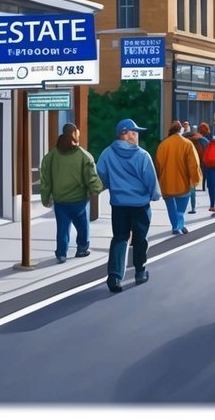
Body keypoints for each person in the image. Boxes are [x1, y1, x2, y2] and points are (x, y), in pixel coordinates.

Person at [96, 119, 161, 292]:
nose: (137, 135)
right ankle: (140, 271)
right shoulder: (142, 155)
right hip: (140, 204)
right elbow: (151, 180)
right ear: (126, 133)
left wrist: (114, 186)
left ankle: (115, 276)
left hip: (119, 204)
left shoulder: (107, 154)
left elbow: (101, 174)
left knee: (120, 237)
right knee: (140, 238)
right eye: (134, 132)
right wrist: (154, 196)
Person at [39, 124, 103, 263]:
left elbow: (45, 180)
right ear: (74, 135)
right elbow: (91, 177)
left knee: (62, 228)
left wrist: (46, 198)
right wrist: (96, 189)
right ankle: (82, 248)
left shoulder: (51, 156)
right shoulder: (84, 156)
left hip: (60, 201)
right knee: (83, 226)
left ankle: (61, 254)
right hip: (79, 200)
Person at [155, 122, 202, 236]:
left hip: (167, 184)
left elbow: (158, 165)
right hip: (183, 183)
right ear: (180, 131)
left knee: (171, 208)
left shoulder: (163, 145)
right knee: (180, 209)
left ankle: (176, 226)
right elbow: (193, 164)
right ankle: (179, 225)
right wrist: (195, 180)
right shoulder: (187, 144)